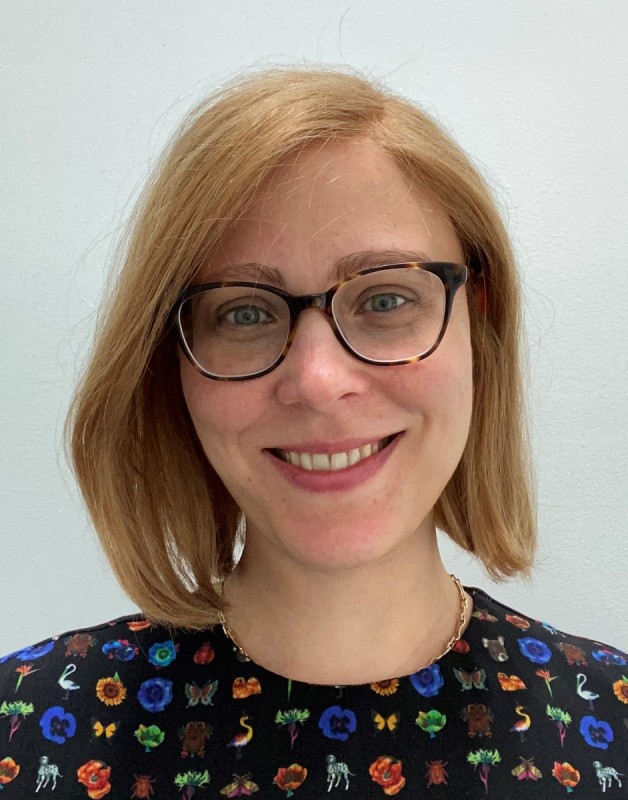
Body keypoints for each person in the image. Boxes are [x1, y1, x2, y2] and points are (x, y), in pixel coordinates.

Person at [1, 67, 626, 799]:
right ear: (171, 363)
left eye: (386, 298)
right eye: (243, 312)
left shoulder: (610, 721)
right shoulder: (23, 730)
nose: (319, 380)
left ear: (477, 321)